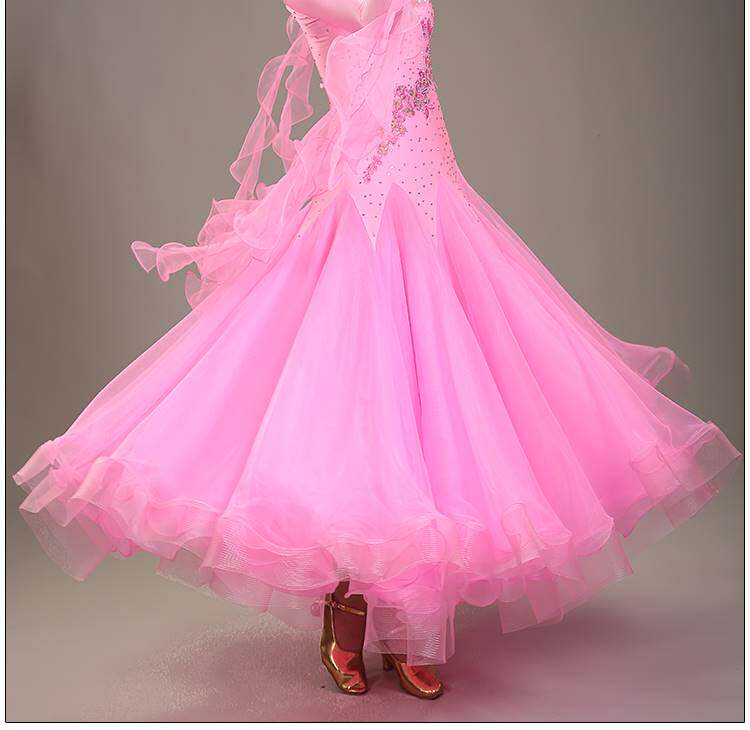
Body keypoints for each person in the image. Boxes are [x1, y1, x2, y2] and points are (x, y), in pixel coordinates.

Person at [14, 0, 741, 700]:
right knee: (364, 422)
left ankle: (409, 626)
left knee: (440, 417)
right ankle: (351, 613)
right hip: (362, 222)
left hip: (437, 207)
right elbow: (362, 17)